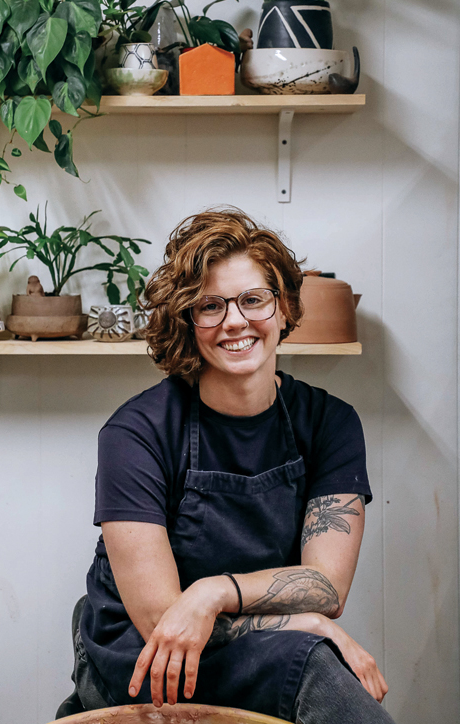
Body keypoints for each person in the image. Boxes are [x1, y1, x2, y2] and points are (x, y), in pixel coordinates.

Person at [57, 208, 395, 724]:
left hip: (243, 644)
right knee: (314, 663)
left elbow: (326, 586)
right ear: (188, 322)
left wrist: (215, 591)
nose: (235, 321)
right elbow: (161, 620)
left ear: (283, 308)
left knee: (313, 663)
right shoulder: (136, 433)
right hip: (142, 653)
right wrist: (303, 625)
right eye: (210, 306)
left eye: (253, 299)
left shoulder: (330, 424)